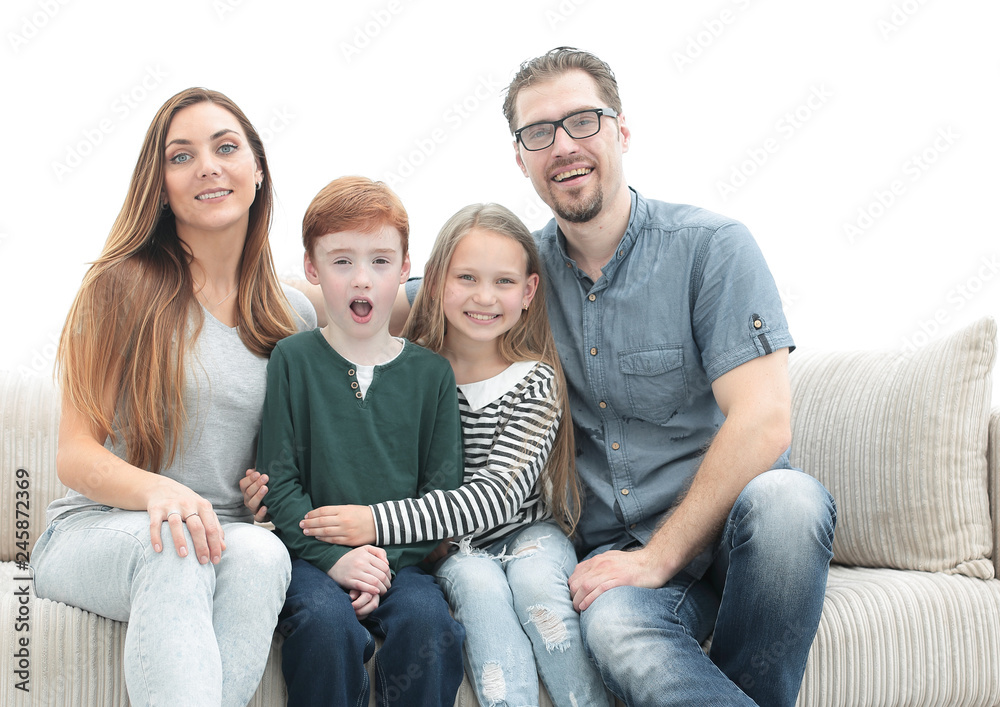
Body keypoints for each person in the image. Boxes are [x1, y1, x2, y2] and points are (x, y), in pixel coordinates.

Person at [30, 87, 316, 707]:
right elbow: (75, 455)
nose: (207, 166)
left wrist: (270, 489)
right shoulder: (119, 288)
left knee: (264, 555)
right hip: (101, 529)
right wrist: (162, 492)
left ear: (258, 171)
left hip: (226, 535)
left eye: (226, 147)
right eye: (181, 156)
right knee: (176, 547)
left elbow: (386, 293)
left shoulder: (291, 315)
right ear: (160, 187)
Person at [293, 203, 612, 707]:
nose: (484, 297)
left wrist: (373, 522)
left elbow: (496, 497)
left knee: (539, 592)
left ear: (528, 292)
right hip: (452, 549)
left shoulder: (535, 382)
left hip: (528, 534)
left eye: (504, 281)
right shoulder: (409, 370)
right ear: (436, 281)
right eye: (467, 277)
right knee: (480, 593)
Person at [254, 176, 466, 707]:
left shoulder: (433, 375)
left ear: (405, 267)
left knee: (429, 623)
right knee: (324, 626)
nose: (362, 279)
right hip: (312, 562)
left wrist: (380, 564)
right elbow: (279, 484)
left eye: (380, 261)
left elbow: (441, 498)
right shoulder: (292, 360)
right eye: (341, 261)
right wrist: (334, 559)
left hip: (403, 564)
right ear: (312, 268)